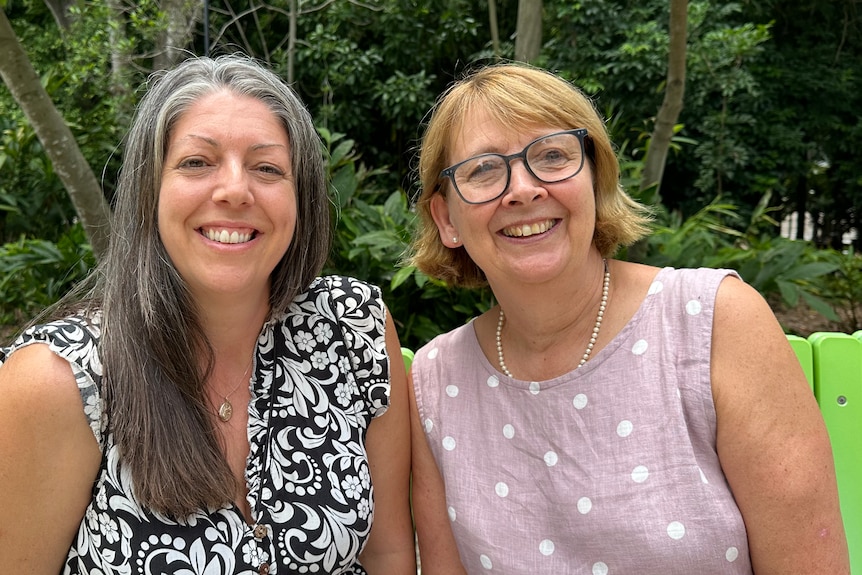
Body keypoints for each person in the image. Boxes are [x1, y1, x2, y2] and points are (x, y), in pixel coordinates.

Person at [407, 62, 850, 574]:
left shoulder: (715, 322)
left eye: (552, 155)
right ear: (446, 219)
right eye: (483, 169)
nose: (522, 189)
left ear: (595, 178)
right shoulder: (436, 379)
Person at [0, 53, 415, 574]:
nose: (235, 191)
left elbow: (389, 554)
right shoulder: (59, 379)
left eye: (267, 168)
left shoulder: (354, 327)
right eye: (197, 162)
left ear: (301, 198)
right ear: (149, 192)